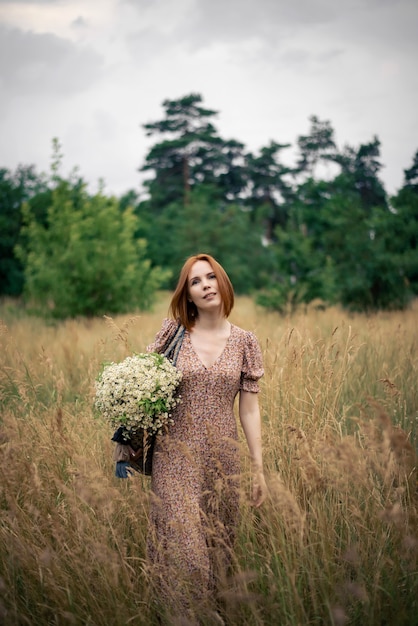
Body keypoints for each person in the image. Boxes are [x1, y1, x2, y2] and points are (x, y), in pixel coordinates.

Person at [146, 253, 267, 620]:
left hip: (223, 462)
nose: (205, 286)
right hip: (174, 456)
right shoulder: (174, 332)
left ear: (223, 282)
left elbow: (249, 409)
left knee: (217, 555)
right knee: (189, 558)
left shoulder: (246, 341)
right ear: (188, 295)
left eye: (210, 277)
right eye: (195, 282)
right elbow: (144, 382)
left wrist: (258, 467)